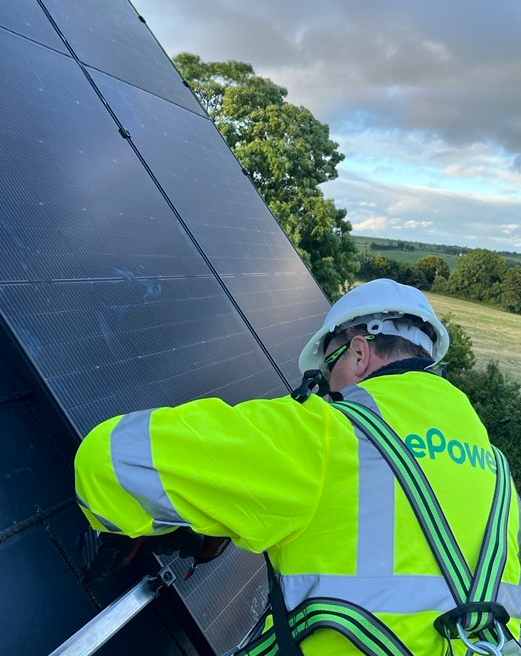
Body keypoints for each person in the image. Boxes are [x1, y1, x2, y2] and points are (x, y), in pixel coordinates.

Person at [75, 278, 521, 656]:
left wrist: (163, 518)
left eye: (329, 370)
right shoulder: (499, 478)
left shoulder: (325, 435)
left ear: (360, 354)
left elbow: (108, 460)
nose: (327, 391)